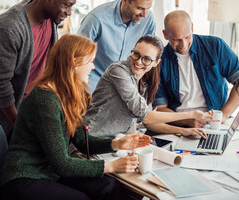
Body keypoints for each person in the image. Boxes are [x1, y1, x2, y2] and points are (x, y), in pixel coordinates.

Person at [0, 34, 152, 200]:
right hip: (24, 178)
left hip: (48, 172)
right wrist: (110, 166)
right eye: (90, 61)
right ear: (73, 62)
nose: (93, 67)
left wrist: (116, 144)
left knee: (110, 186)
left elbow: (80, 140)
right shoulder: (44, 100)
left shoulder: (66, 94)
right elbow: (61, 164)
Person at [0, 0, 78, 139]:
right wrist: (19, 125)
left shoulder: (50, 19)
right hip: (4, 114)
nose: (69, 12)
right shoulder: (8, 27)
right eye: (66, 5)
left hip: (31, 108)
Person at [84, 35, 213, 139]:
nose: (138, 61)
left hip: (112, 143)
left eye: (146, 59)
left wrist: (183, 131)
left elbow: (149, 123)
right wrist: (191, 114)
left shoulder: (144, 83)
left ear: (156, 63)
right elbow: (146, 116)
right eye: (136, 54)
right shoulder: (118, 71)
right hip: (90, 138)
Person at [150, 10, 239, 133]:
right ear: (165, 34)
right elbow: (159, 108)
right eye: (176, 39)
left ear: (192, 27)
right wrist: (187, 120)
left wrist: (223, 115)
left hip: (215, 125)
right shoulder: (159, 62)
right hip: (179, 126)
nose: (183, 44)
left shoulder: (215, 46)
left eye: (187, 37)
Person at [77, 0, 157, 92]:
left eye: (148, 8)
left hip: (127, 85)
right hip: (95, 85)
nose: (144, 14)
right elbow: (76, 56)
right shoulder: (96, 19)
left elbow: (150, 54)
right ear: (124, 0)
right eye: (140, 8)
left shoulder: (148, 19)